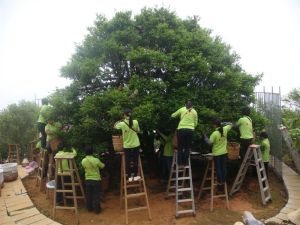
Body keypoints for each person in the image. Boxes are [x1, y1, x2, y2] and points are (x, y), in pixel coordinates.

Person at [114, 108, 141, 182]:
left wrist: (120, 120)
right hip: (136, 144)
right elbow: (138, 130)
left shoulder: (121, 124)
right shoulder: (135, 121)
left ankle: (129, 176)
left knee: (127, 161)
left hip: (127, 145)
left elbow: (114, 126)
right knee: (136, 161)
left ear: (124, 115)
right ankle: (135, 176)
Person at [204, 119, 232, 185]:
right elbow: (230, 124)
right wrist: (224, 123)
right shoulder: (225, 129)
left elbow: (209, 143)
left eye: (213, 124)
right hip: (224, 152)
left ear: (215, 125)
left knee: (218, 168)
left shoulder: (214, 133)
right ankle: (224, 180)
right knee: (223, 167)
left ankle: (220, 181)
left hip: (217, 154)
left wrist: (205, 137)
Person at [171, 100, 198, 166]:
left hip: (181, 130)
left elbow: (173, 115)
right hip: (190, 130)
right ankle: (185, 163)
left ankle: (180, 163)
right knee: (187, 147)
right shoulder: (195, 112)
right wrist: (191, 126)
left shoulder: (182, 109)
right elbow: (196, 123)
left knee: (180, 147)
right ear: (192, 105)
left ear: (185, 104)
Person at [81, 145, 105, 214]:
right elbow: (102, 166)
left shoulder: (83, 161)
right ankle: (97, 210)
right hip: (96, 180)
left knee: (88, 195)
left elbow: (84, 167)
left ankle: (89, 208)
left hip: (88, 180)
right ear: (92, 152)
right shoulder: (96, 160)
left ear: (85, 152)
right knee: (96, 195)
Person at [54, 141, 77, 205]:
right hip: (66, 173)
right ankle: (69, 201)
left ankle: (58, 201)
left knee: (59, 187)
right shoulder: (66, 154)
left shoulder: (56, 155)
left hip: (58, 174)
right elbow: (75, 154)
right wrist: (72, 148)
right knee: (68, 186)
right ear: (64, 148)